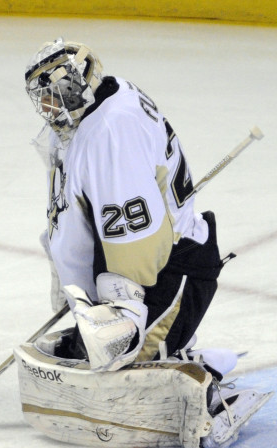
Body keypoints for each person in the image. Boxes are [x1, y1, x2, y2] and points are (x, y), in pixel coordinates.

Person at [19, 38, 272, 447]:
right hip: (143, 264)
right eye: (43, 97)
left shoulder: (108, 131)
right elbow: (71, 211)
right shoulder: (90, 115)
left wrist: (124, 315)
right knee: (89, 354)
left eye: (58, 92)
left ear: (81, 82)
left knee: (121, 369)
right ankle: (168, 348)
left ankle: (212, 406)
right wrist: (65, 275)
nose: (49, 106)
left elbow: (138, 237)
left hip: (170, 269)